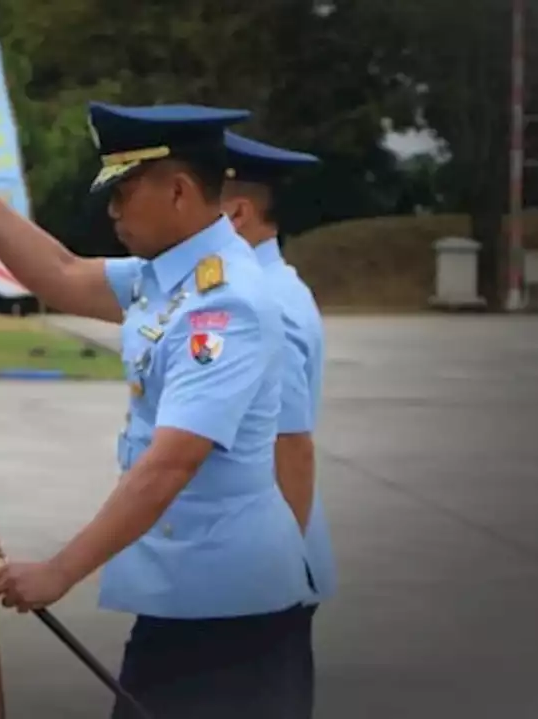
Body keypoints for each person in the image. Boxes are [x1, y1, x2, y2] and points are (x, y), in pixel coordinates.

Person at [0, 104, 314, 718]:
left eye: (124, 192)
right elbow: (62, 274)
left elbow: (171, 464)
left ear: (178, 191)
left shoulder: (224, 303)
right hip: (186, 603)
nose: (112, 210)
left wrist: (59, 571)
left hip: (230, 617)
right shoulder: (170, 278)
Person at [220, 130, 335, 717]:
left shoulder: (268, 302)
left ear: (236, 213)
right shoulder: (251, 286)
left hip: (262, 579)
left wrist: (273, 580)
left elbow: (292, 447)